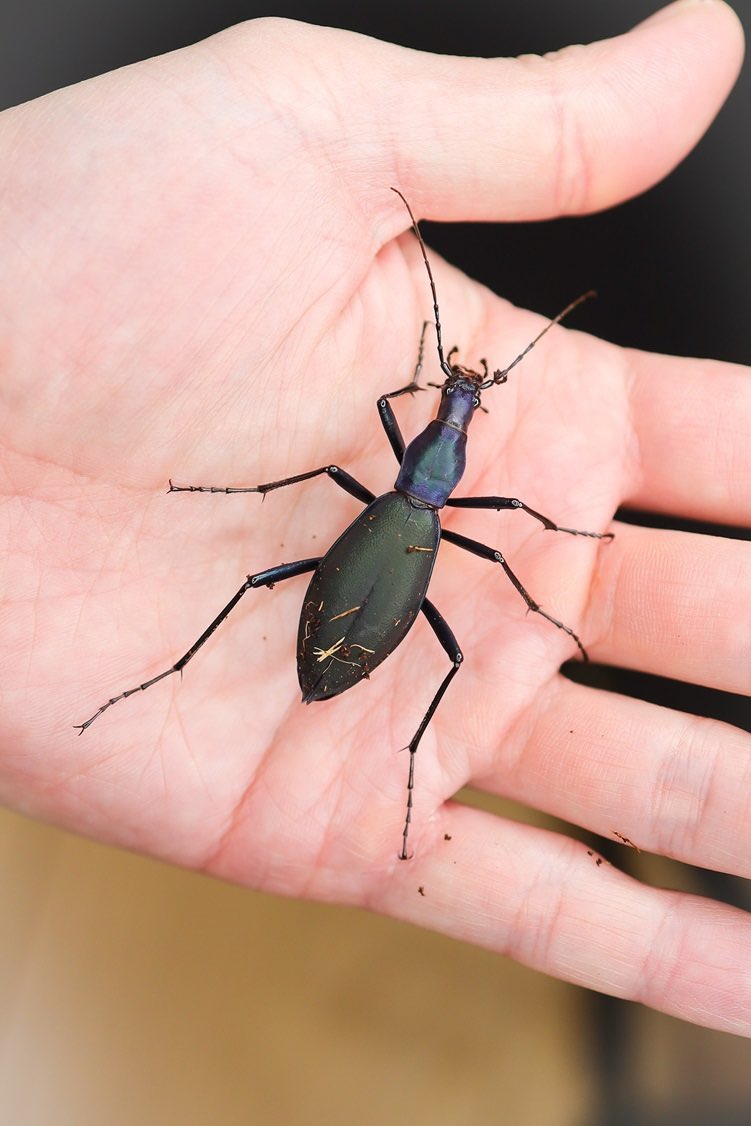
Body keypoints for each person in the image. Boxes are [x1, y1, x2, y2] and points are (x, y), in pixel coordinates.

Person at [1, 0, 748, 1035]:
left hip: (385, 561)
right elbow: (458, 481)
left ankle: (230, 699)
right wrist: (546, 563)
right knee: (426, 639)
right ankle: (188, 684)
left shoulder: (414, 475)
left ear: (435, 444)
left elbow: (436, 460)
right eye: (455, 398)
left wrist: (547, 557)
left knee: (366, 614)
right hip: (389, 568)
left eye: (463, 403)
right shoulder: (437, 490)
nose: (457, 400)